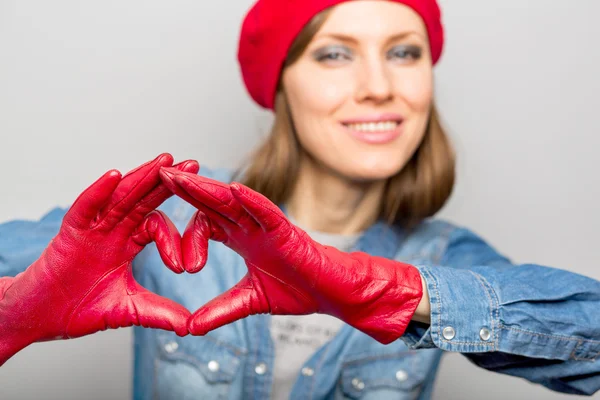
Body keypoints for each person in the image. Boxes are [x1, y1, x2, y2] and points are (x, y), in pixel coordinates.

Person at [1, 0, 599, 399]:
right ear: (281, 84)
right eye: (334, 54)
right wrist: (12, 314)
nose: (379, 86)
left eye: (404, 52)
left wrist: (391, 291)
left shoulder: (442, 254)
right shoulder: (168, 219)